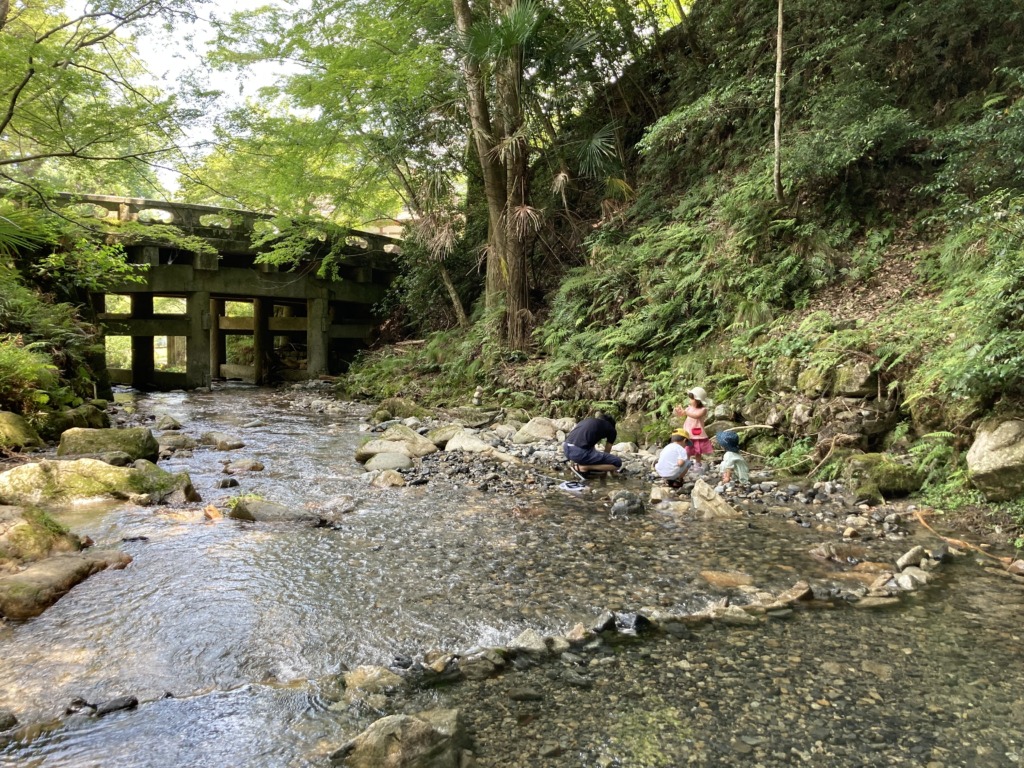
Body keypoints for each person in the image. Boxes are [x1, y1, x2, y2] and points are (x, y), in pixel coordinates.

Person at [674, 386, 713, 472]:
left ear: (698, 400)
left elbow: (696, 416)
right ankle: (686, 463)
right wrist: (679, 411)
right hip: (688, 433)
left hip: (697, 433)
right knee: (687, 449)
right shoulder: (689, 408)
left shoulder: (703, 410)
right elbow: (682, 415)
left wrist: (686, 412)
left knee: (697, 450)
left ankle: (697, 464)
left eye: (692, 398)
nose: (690, 400)